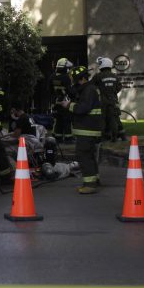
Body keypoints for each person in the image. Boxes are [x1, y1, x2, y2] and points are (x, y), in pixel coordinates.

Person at [57, 65, 103, 194]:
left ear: (81, 79)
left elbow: (83, 108)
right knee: (89, 155)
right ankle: (94, 179)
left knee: (83, 155)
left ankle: (89, 185)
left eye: (75, 80)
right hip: (89, 128)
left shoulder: (89, 90)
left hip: (87, 129)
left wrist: (69, 105)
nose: (74, 83)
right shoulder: (90, 88)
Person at [92, 56, 123, 141]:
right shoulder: (115, 76)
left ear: (102, 65)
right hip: (113, 100)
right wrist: (113, 93)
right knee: (113, 118)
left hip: (101, 100)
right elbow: (119, 87)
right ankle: (114, 137)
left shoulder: (98, 76)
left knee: (102, 119)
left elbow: (91, 86)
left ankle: (102, 137)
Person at [50, 58, 74, 142]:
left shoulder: (52, 76)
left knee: (58, 120)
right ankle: (68, 138)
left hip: (56, 102)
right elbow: (70, 91)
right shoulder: (66, 77)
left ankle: (58, 137)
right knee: (67, 120)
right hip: (65, 102)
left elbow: (49, 90)